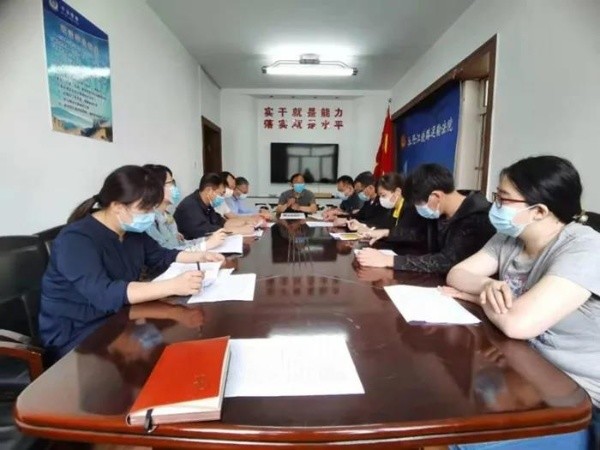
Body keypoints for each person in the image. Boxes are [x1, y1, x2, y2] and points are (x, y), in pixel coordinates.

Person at [444, 155, 599, 449]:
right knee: (448, 408)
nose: (495, 206)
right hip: (526, 370)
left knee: (460, 441)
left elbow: (518, 324)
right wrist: (487, 284)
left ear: (539, 211)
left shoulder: (585, 248)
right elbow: (457, 274)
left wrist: (476, 296)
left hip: (580, 395)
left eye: (503, 199)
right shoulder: (508, 238)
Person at [39, 165, 224, 361]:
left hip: (120, 317)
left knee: (176, 346)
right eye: (145, 209)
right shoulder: (75, 239)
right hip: (77, 334)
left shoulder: (131, 231)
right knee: (161, 357)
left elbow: (161, 255)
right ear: (118, 207)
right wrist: (172, 286)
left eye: (153, 208)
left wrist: (200, 256)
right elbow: (105, 294)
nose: (151, 215)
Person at [356, 163, 495, 273]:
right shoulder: (440, 211)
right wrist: (387, 233)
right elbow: (420, 234)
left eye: (418, 204)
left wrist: (389, 261)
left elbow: (446, 261)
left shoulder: (478, 218)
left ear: (436, 196)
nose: (418, 208)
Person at [143, 164, 225, 250]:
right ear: (155, 187)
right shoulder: (149, 221)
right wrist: (205, 245)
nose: (174, 187)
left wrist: (206, 240)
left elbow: (181, 244)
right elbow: (167, 254)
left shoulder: (167, 216)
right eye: (171, 183)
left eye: (174, 182)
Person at [356, 172, 428, 248]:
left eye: (383, 195)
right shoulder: (394, 208)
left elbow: (406, 235)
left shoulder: (410, 208)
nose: (381, 199)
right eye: (380, 196)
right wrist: (367, 230)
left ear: (397, 192)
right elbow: (386, 228)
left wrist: (386, 233)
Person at [174, 172, 254, 239]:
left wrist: (246, 223)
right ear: (209, 190)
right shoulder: (190, 206)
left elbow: (222, 223)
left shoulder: (207, 205)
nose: (222, 197)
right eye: (220, 194)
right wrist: (240, 230)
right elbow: (209, 232)